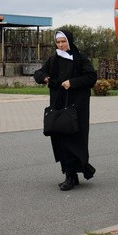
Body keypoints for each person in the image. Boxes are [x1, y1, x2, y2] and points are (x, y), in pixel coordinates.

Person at [34, 30, 97, 191]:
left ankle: (72, 175)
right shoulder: (53, 59)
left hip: (76, 109)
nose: (61, 45)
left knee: (74, 140)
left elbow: (91, 77)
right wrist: (44, 78)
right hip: (58, 107)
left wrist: (72, 83)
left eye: (63, 41)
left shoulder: (80, 58)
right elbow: (39, 72)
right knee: (60, 140)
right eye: (58, 42)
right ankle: (70, 175)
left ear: (69, 41)